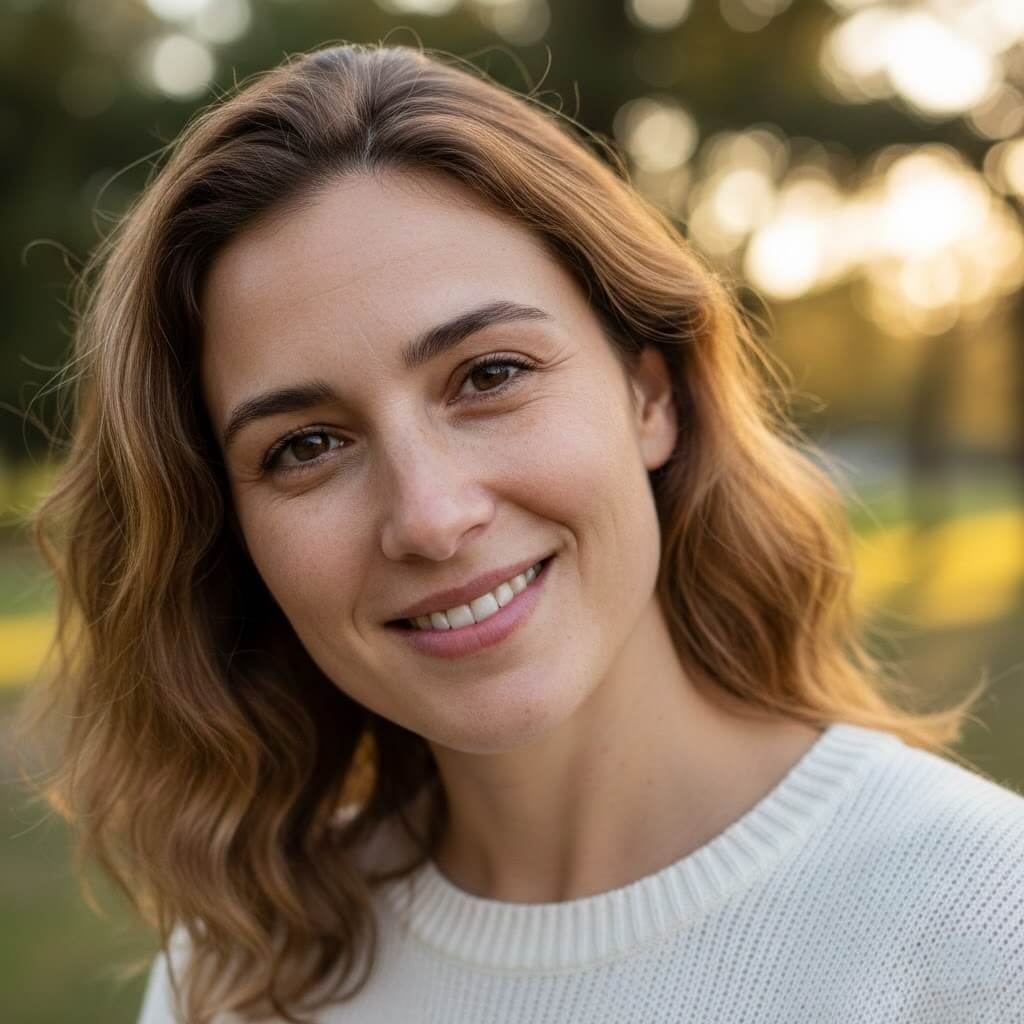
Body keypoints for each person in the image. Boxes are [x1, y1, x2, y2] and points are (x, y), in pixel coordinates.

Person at [13, 41, 1024, 1024]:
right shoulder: (236, 972)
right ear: (229, 534)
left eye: (488, 375)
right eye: (307, 444)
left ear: (648, 393)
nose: (429, 516)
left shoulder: (984, 926)